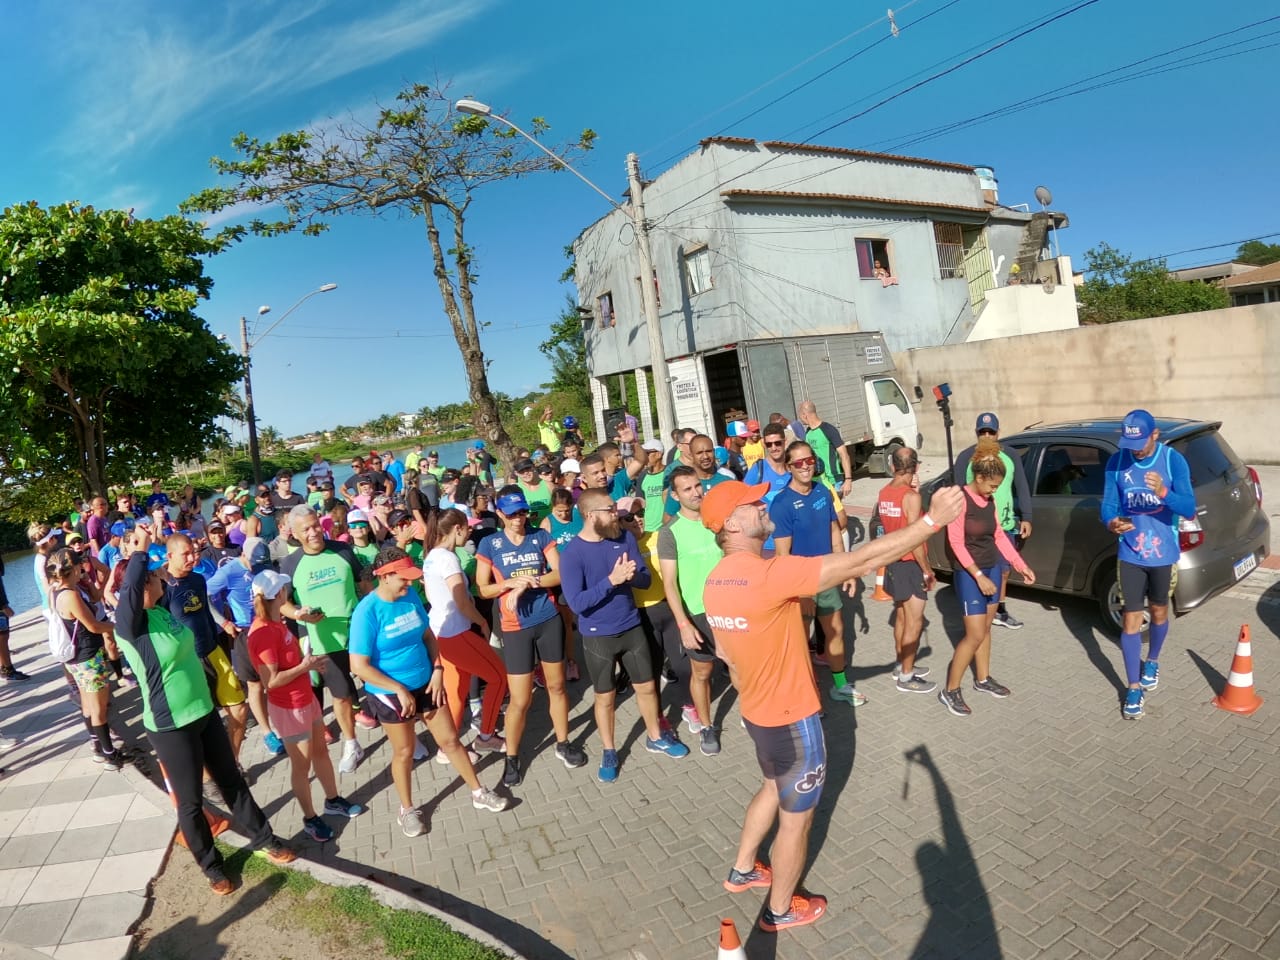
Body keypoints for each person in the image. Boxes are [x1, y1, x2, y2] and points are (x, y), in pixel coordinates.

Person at [700, 480, 964, 933]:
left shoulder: (715, 580)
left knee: (770, 785)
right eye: (753, 503)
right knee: (796, 821)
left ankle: (744, 868)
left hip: (757, 714)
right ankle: (780, 909)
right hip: (791, 719)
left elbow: (727, 656)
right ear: (732, 523)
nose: (764, 505)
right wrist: (931, 522)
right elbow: (860, 560)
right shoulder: (768, 574)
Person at [115, 528, 296, 894]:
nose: (158, 578)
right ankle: (212, 866)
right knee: (191, 802)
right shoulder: (129, 627)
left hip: (203, 711)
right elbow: (131, 591)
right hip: (171, 726)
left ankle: (264, 839)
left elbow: (181, 596)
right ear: (138, 590)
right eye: (152, 577)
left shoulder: (162, 612)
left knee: (232, 780)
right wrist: (139, 553)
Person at [350, 545, 507, 837]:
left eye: (412, 577)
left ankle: (478, 791)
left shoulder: (409, 596)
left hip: (426, 682)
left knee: (451, 741)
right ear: (384, 576)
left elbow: (428, 635)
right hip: (389, 693)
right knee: (405, 751)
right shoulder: (367, 613)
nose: (410, 583)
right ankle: (407, 810)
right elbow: (359, 666)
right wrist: (398, 688)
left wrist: (437, 670)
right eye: (403, 578)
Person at [560, 489, 689, 782]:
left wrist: (632, 576)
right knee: (604, 698)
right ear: (592, 516)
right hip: (597, 637)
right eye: (609, 510)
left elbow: (644, 580)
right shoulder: (572, 555)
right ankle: (609, 749)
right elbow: (577, 603)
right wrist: (611, 581)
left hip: (631, 627)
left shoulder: (625, 538)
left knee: (646, 687)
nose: (616, 516)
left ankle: (655, 736)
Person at [476, 488, 587, 787]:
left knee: (557, 686)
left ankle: (563, 742)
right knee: (521, 699)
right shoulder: (490, 543)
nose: (518, 519)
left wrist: (530, 582)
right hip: (515, 629)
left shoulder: (539, 536)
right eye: (511, 514)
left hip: (547, 620)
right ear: (499, 514)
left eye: (522, 512)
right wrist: (510, 583)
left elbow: (559, 573)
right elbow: (483, 589)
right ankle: (511, 757)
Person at [247, 569, 365, 842]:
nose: (287, 593)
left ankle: (333, 800)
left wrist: (308, 666)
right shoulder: (264, 632)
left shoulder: (277, 623)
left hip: (304, 700)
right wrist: (305, 666)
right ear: (279, 595)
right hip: (289, 709)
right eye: (284, 589)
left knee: (321, 754)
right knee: (302, 767)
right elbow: (271, 682)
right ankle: (310, 818)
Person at [1101, 409, 1195, 720]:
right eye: (1130, 442)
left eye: (1140, 441)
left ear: (1155, 435)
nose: (1135, 449)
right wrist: (1111, 522)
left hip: (1163, 555)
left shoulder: (1172, 461)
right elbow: (1108, 506)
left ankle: (1152, 659)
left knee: (1158, 612)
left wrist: (1163, 492)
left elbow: (1190, 509)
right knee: (1131, 619)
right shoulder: (1117, 462)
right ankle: (1133, 686)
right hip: (1129, 553)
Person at [938, 437, 1037, 718]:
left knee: (986, 629)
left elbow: (997, 537)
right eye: (993, 485)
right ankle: (950, 690)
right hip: (971, 574)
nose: (995, 490)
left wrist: (1020, 563)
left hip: (992, 567)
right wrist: (979, 576)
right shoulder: (960, 500)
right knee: (974, 634)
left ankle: (982, 679)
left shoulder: (989, 500)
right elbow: (956, 543)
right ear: (978, 478)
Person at [278, 505, 375, 771]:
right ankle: (352, 744)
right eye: (306, 529)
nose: (314, 533)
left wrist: (367, 605)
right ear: (296, 535)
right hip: (324, 642)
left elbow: (364, 581)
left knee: (383, 683)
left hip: (359, 633)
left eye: (316, 525)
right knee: (342, 696)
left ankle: (405, 733)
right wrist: (300, 614)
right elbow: (282, 604)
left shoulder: (342, 550)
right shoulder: (289, 564)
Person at [770, 440, 862, 706]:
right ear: (789, 467)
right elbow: (782, 556)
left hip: (827, 576)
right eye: (798, 463)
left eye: (809, 460)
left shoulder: (822, 491)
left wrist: (847, 570)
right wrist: (800, 592)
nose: (805, 467)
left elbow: (835, 534)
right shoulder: (782, 503)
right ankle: (809, 696)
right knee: (800, 641)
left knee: (835, 631)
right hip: (800, 583)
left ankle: (841, 685)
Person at [163, 535, 252, 779]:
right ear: (169, 556)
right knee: (201, 724)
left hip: (213, 651)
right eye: (186, 554)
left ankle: (231, 764)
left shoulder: (197, 578)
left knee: (240, 710)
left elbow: (204, 606)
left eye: (194, 552)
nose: (193, 558)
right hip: (187, 662)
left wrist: (224, 622)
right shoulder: (162, 588)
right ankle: (208, 776)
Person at [422, 510, 507, 752]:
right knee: (499, 677)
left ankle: (446, 749)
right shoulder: (448, 558)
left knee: (456, 692)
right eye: (467, 528)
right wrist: (481, 621)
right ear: (457, 529)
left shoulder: (432, 555)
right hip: (455, 632)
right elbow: (461, 601)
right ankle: (486, 736)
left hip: (440, 632)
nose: (470, 532)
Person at [656, 467, 725, 752]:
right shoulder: (669, 532)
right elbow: (670, 585)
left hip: (731, 608)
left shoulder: (717, 521)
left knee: (742, 668)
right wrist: (684, 625)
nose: (696, 492)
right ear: (675, 495)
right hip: (698, 615)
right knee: (702, 673)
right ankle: (707, 727)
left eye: (698, 486)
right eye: (687, 489)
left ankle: (758, 716)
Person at [952, 412, 1034, 629]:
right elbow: (957, 492)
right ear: (976, 433)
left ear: (998, 433)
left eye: (991, 432)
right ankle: (976, 611)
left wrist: (1026, 516)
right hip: (974, 530)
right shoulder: (965, 458)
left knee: (1004, 570)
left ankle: (999, 609)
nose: (987, 436)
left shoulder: (1011, 455)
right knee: (980, 570)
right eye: (982, 432)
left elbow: (1022, 486)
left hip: (1003, 525)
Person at [206, 537, 286, 757]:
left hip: (271, 628)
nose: (259, 569)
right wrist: (223, 622)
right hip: (246, 633)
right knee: (255, 685)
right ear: (243, 555)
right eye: (255, 564)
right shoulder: (228, 572)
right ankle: (267, 732)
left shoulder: (265, 565)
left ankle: (284, 722)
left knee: (277, 679)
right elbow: (205, 595)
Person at [48, 548, 124, 768]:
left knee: (88, 705)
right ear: (73, 568)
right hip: (88, 656)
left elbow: (95, 597)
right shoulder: (70, 595)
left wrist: (86, 582)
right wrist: (118, 626)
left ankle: (98, 746)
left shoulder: (58, 591)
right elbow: (93, 625)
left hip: (76, 659)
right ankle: (109, 754)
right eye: (80, 564)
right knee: (99, 707)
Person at [877, 447, 938, 694]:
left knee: (902, 617)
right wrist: (927, 570)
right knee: (914, 622)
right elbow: (914, 539)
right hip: (910, 563)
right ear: (916, 467)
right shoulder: (911, 497)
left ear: (892, 466)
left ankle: (901, 664)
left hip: (893, 562)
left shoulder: (884, 492)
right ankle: (906, 677)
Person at [744, 422, 794, 557]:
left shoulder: (794, 468)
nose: (774, 448)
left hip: (796, 541)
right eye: (769, 444)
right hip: (768, 546)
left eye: (778, 443)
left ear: (785, 442)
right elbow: (742, 504)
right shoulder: (758, 470)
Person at [663, 434, 733, 518]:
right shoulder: (682, 483)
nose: (705, 456)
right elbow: (668, 518)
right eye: (699, 453)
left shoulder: (728, 480)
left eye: (709, 451)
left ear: (714, 452)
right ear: (691, 455)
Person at [796, 400, 853, 503]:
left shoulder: (828, 430)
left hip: (833, 481)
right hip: (816, 480)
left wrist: (848, 479)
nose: (800, 419)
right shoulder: (808, 432)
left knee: (835, 512)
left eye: (800, 416)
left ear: (804, 415)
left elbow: (844, 455)